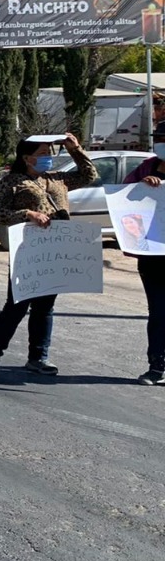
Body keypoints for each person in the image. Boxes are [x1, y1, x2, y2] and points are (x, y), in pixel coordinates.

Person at [0, 133, 96, 380]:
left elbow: (89, 175)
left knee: (45, 307)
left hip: (55, 252)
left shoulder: (57, 180)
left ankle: (38, 358)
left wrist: (75, 150)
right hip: (28, 252)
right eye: (42, 154)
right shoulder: (12, 182)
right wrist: (27, 214)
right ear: (27, 158)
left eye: (50, 153)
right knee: (16, 306)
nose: (48, 158)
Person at [120, 123, 165, 383]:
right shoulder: (146, 168)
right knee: (158, 312)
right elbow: (123, 196)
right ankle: (156, 367)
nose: (160, 143)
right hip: (152, 257)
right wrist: (141, 185)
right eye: (158, 138)